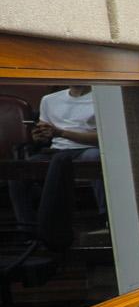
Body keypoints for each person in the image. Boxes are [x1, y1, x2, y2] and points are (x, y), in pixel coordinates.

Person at [26, 82, 99, 214]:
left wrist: (61, 133)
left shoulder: (100, 99)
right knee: (22, 169)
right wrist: (39, 136)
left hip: (87, 148)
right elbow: (46, 132)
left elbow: (105, 138)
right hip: (56, 150)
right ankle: (27, 225)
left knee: (96, 158)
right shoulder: (49, 100)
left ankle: (105, 215)